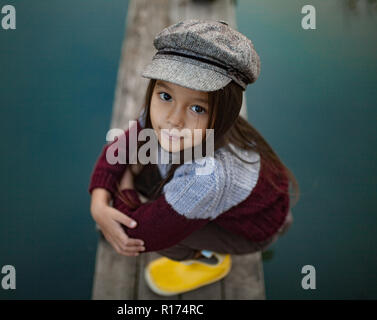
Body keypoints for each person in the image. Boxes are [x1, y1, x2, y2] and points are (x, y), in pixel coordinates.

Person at [88, 19, 299, 296]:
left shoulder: (206, 177)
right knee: (137, 162)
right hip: (230, 198)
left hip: (252, 224)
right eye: (165, 95)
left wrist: (122, 185)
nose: (173, 120)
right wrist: (99, 202)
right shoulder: (164, 120)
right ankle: (181, 215)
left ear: (223, 114)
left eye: (197, 108)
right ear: (155, 90)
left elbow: (139, 235)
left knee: (166, 239)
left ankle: (209, 258)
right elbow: (119, 148)